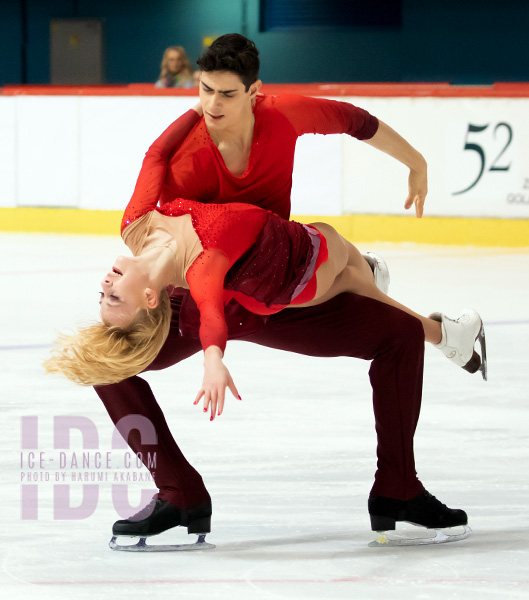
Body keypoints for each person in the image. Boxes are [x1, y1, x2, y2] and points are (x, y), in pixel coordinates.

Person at [48, 34, 487, 546]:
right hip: (203, 296)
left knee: (397, 338)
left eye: (227, 94)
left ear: (255, 91)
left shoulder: (282, 117)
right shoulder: (189, 163)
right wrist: (211, 350)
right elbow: (186, 255)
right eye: (204, 91)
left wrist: (417, 162)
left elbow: (355, 121)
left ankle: (397, 487)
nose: (213, 105)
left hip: (275, 289)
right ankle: (180, 492)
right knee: (105, 362)